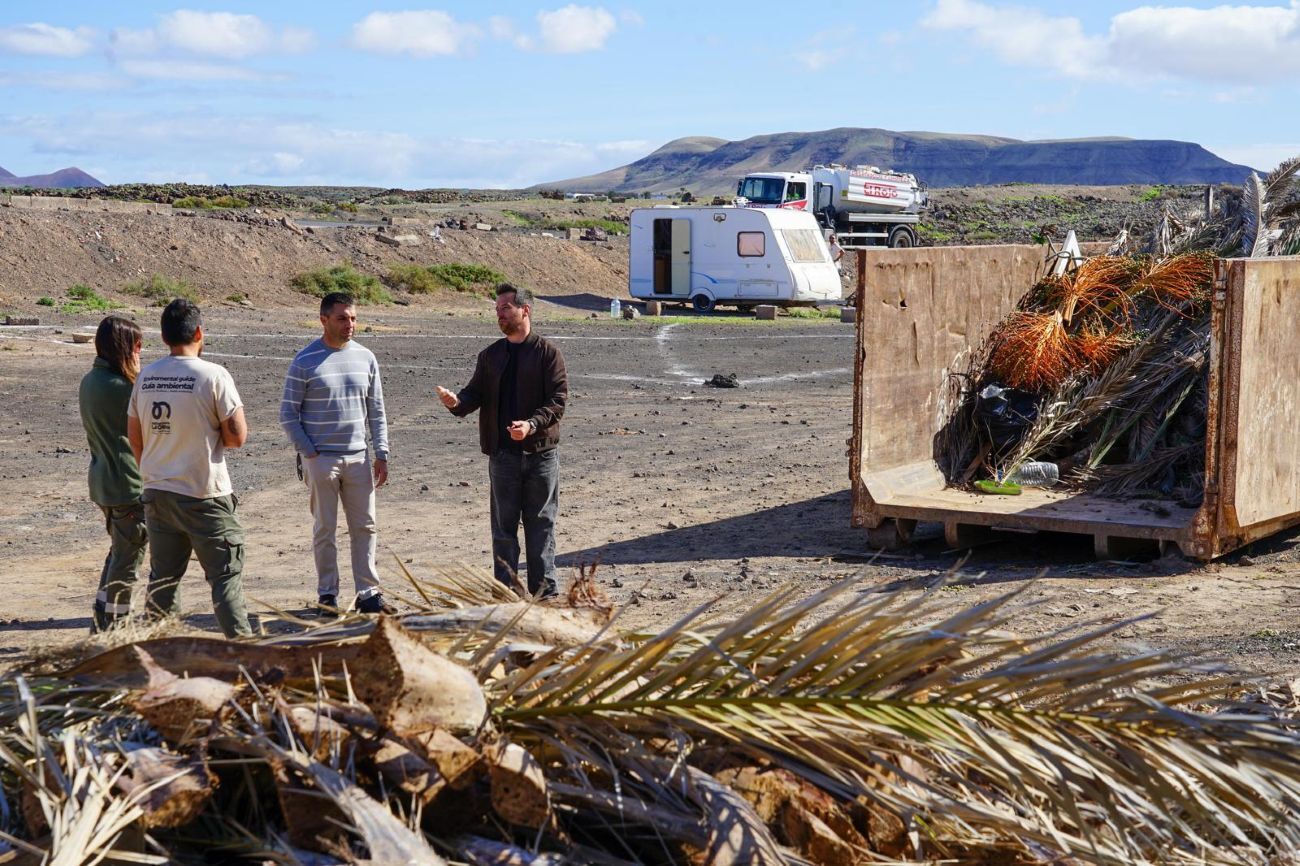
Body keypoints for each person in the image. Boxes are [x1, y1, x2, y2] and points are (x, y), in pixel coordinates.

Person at [127, 299, 252, 638]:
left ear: (165, 336)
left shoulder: (147, 376)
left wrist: (153, 470)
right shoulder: (213, 375)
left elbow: (134, 435)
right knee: (225, 578)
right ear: (199, 332)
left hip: (158, 492)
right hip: (204, 494)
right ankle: (245, 653)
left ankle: (160, 652)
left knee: (163, 580)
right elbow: (237, 436)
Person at [437, 284, 568, 598]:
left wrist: (531, 425)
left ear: (525, 310)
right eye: (497, 310)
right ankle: (506, 592)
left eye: (506, 308)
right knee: (503, 531)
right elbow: (474, 394)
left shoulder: (547, 353)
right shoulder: (491, 355)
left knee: (541, 526)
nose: (500, 315)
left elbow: (558, 401)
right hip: (503, 457)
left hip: (540, 455)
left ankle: (544, 594)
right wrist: (456, 402)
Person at [280, 292, 391, 615]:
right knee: (325, 530)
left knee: (365, 527)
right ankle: (327, 595)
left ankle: (368, 594)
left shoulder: (366, 358)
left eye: (354, 318)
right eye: (343, 318)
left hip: (358, 458)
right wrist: (309, 452)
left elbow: (377, 411)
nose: (350, 324)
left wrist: (381, 452)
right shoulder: (305, 361)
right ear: (324, 320)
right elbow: (288, 413)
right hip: (321, 461)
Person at [79, 315, 147, 632]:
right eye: (136, 345)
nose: (140, 351)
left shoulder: (91, 380)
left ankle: (101, 620)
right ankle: (115, 626)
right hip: (127, 485)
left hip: (104, 481)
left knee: (119, 554)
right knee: (127, 562)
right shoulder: (125, 388)